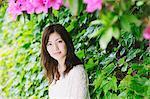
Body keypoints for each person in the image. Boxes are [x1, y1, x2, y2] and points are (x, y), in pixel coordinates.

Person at [41, 24, 90, 99]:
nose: (55, 48)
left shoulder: (77, 72)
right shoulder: (54, 73)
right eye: (50, 44)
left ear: (67, 42)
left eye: (59, 41)